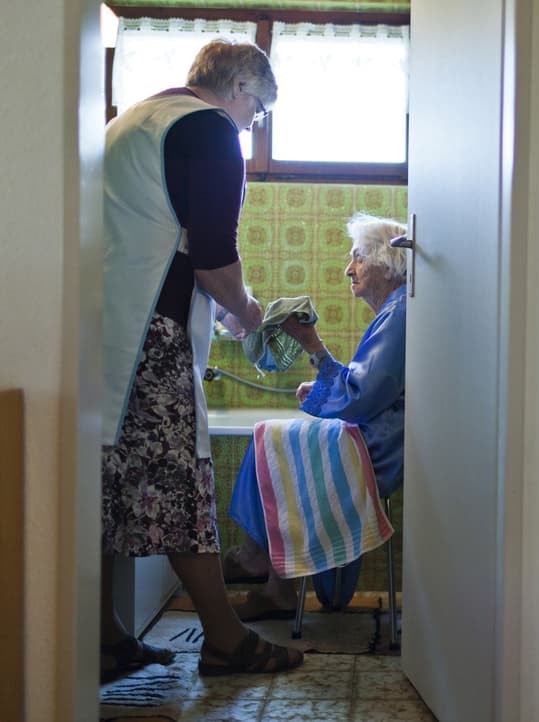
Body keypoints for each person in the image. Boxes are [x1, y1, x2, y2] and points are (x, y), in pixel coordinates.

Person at [100, 38, 303, 679]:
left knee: (110, 484)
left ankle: (102, 637)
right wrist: (247, 313)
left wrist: (216, 299)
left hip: (105, 330)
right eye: (260, 109)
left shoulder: (134, 119)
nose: (253, 123)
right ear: (241, 86)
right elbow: (214, 256)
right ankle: (225, 639)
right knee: (180, 483)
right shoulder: (209, 128)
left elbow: (162, 235)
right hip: (149, 336)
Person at [224, 213, 407, 618]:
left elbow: (360, 397)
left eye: (357, 257)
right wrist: (323, 377)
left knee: (269, 438)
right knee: (274, 439)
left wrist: (313, 345)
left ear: (387, 262)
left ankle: (259, 562)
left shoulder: (400, 314)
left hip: (379, 450)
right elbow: (366, 388)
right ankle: (275, 583)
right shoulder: (397, 312)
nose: (348, 268)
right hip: (378, 439)